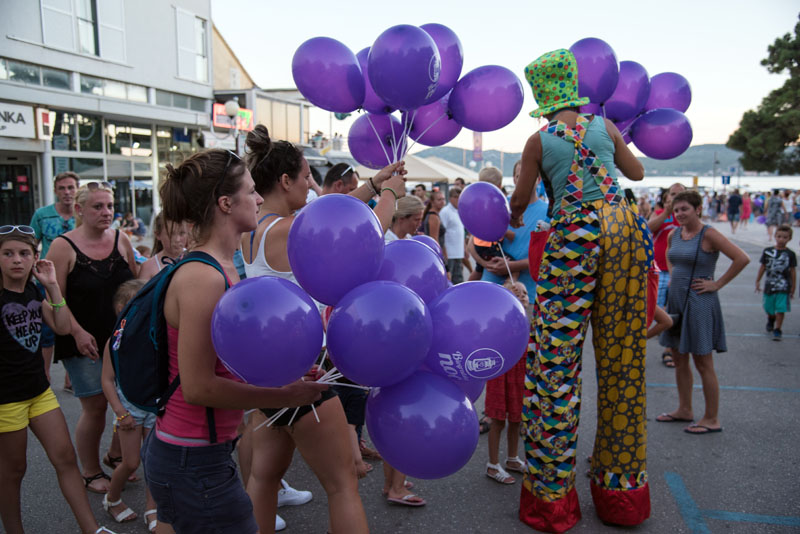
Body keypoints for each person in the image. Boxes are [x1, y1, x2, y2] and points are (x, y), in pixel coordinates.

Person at [141, 148, 328, 534]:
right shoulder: (203, 277)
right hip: (192, 458)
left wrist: (278, 376)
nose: (260, 198)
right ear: (226, 203)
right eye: (250, 190)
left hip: (203, 454)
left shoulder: (223, 268)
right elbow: (198, 387)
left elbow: (224, 361)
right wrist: (286, 396)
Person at [510, 49, 650, 531]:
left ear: (542, 98)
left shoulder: (538, 139)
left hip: (573, 240)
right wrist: (609, 146)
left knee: (555, 368)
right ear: (574, 88)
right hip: (624, 233)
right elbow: (636, 175)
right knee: (623, 365)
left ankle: (553, 498)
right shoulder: (605, 127)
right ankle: (621, 493)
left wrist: (510, 216)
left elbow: (522, 200)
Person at [240, 125, 404, 534]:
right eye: (305, 176)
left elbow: (333, 212)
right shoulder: (290, 229)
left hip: (267, 368)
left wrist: (372, 183)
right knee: (342, 484)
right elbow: (360, 233)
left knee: (262, 479)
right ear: (284, 181)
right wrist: (391, 196)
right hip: (306, 366)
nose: (311, 183)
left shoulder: (255, 230)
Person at [0, 225, 118, 534]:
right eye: (8, 253)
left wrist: (52, 287)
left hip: (39, 392)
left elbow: (63, 326)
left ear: (35, 258)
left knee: (66, 459)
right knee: (13, 471)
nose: (17, 260)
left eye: (24, 254)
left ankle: (92, 529)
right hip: (6, 400)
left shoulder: (33, 290)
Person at [47, 182, 138, 494]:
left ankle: (116, 456)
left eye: (109, 206)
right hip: (82, 340)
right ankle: (89, 470)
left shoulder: (121, 239)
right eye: (98, 206)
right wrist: (76, 331)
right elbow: (54, 298)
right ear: (79, 210)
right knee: (96, 406)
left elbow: (135, 289)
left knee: (129, 402)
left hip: (122, 340)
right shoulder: (62, 246)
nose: (106, 212)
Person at [657, 190, 750, 434]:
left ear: (698, 209)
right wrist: (675, 278)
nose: (679, 214)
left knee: (702, 361)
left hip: (699, 302)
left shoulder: (709, 234)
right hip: (676, 301)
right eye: (676, 210)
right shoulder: (674, 234)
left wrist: (716, 284)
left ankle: (711, 418)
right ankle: (684, 409)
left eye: (685, 209)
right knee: (679, 358)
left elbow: (741, 258)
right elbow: (670, 258)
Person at [99, 279, 162, 531]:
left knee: (154, 461)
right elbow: (106, 380)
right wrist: (120, 412)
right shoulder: (115, 341)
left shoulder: (155, 338)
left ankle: (152, 507)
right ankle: (112, 499)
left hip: (153, 407)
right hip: (129, 411)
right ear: (122, 309)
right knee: (131, 462)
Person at [30, 171, 78, 388]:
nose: (67, 192)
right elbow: (31, 243)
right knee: (48, 332)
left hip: (77, 280)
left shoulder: (83, 214)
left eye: (71, 187)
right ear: (56, 191)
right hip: (48, 282)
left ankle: (72, 377)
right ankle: (44, 376)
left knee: (74, 325)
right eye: (62, 188)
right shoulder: (42, 214)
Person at [484, 280, 531, 485]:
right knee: (497, 420)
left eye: (524, 292)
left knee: (516, 419)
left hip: (520, 374)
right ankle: (493, 465)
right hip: (501, 374)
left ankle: (512, 459)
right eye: (515, 291)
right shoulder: (499, 320)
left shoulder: (531, 320)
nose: (521, 295)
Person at [648, 183, 686, 368]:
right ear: (667, 197)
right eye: (673, 194)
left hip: (678, 271)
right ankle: (653, 338)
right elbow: (648, 229)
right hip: (658, 270)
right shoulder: (661, 213)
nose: (676, 197)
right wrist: (665, 213)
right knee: (656, 309)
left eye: (681, 194)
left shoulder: (686, 215)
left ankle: (668, 349)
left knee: (671, 311)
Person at [755, 225, 796, 341]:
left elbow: (793, 271)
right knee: (768, 307)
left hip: (784, 286)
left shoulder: (790, 254)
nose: (781, 239)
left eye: (785, 237)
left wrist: (793, 286)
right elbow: (763, 267)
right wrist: (758, 280)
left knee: (781, 308)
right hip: (769, 285)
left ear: (789, 239)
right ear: (775, 236)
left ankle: (778, 329)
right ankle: (771, 318)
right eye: (779, 236)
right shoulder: (767, 251)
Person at [137, 213, 188, 281]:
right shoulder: (148, 267)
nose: (177, 239)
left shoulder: (195, 258)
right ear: (158, 235)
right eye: (171, 234)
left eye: (182, 233)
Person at [439, 187, 465, 284]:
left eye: (460, 197)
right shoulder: (445, 211)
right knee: (449, 281)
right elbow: (441, 233)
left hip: (458, 252)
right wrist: (444, 252)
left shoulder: (459, 211)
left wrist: (464, 249)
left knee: (459, 279)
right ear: (450, 198)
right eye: (455, 197)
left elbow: (460, 231)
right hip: (449, 253)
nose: (458, 199)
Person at [422, 189, 446, 257]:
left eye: (443, 199)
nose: (442, 202)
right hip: (434, 252)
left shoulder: (435, 215)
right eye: (439, 200)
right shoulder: (433, 216)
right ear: (432, 202)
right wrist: (440, 256)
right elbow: (434, 239)